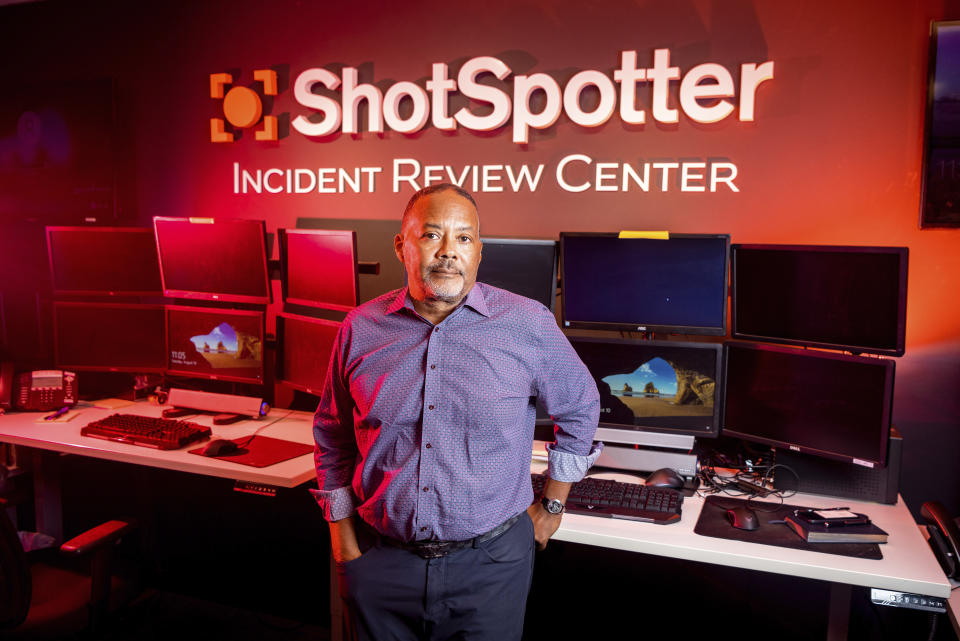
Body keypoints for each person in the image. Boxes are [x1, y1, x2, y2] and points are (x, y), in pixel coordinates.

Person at [312, 183, 601, 641]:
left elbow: (581, 408)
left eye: (464, 238)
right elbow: (333, 435)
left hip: (490, 568)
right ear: (401, 245)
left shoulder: (526, 323)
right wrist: (342, 537)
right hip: (380, 563)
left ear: (479, 252)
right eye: (431, 235)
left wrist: (552, 504)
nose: (449, 252)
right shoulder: (361, 328)